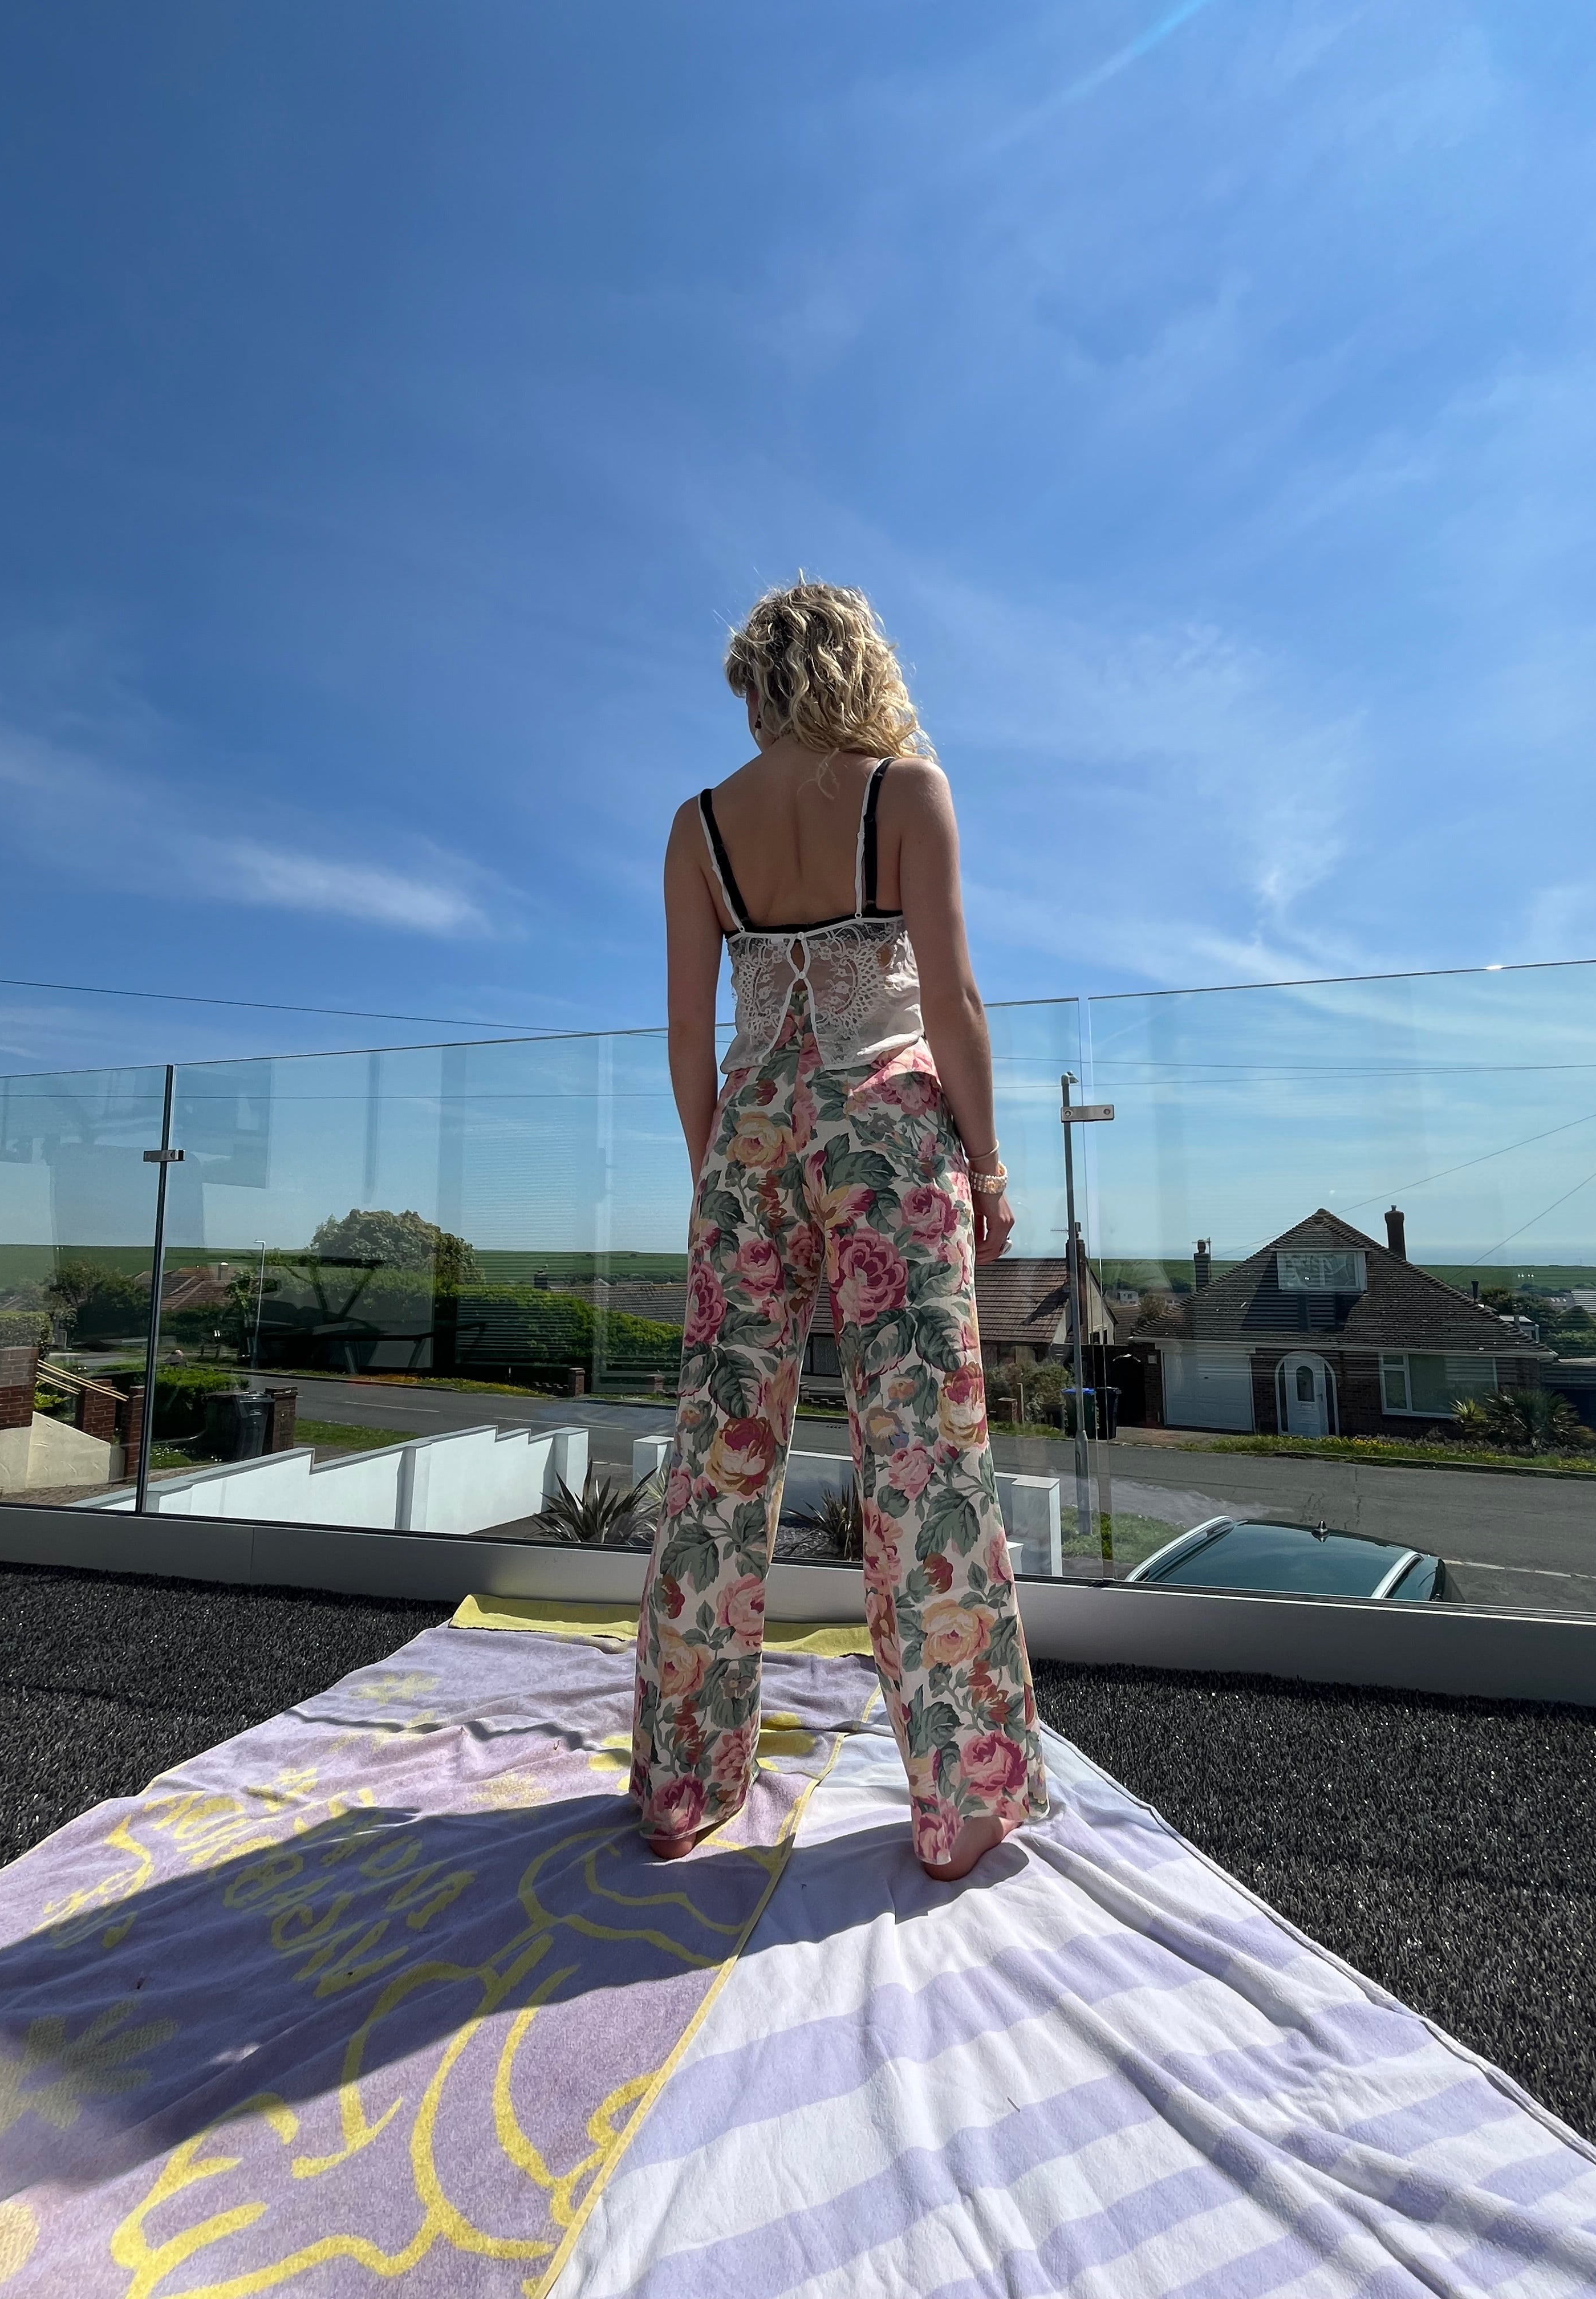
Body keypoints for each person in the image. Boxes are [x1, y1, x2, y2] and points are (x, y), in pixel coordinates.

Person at [630, 580, 1047, 1882]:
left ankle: (681, 1789)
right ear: (860, 664)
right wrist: (986, 1164)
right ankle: (955, 1802)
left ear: (759, 684)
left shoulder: (697, 828)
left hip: (751, 1142)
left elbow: (688, 1037)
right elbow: (958, 998)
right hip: (886, 1134)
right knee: (922, 1460)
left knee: (717, 1467)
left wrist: (722, 1177)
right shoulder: (906, 792)